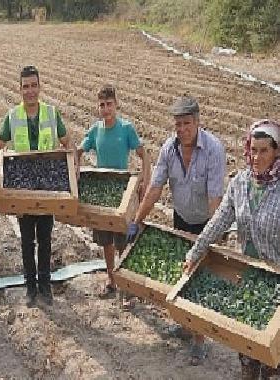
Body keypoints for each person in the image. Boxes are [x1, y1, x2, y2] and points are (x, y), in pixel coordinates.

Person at [127, 95, 227, 365]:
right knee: (182, 276)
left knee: (198, 282)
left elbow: (215, 197)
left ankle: (199, 340)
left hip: (206, 223)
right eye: (177, 124)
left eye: (186, 123)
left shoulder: (214, 150)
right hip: (181, 219)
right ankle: (185, 326)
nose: (181, 129)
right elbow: (155, 188)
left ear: (197, 122)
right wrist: (136, 220)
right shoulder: (168, 150)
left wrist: (213, 236)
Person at [183, 119, 280, 379]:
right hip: (246, 277)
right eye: (253, 150)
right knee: (247, 351)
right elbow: (220, 221)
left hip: (276, 283)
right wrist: (195, 252)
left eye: (264, 151)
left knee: (273, 360)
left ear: (276, 152)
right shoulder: (240, 183)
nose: (256, 157)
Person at [0, 65, 75, 307]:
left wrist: (73, 168)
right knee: (27, 241)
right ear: (20, 89)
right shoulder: (12, 116)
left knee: (46, 239)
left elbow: (67, 142)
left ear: (40, 87)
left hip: (47, 188)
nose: (30, 91)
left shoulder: (51, 113)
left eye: (33, 85)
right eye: (25, 86)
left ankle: (45, 286)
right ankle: (30, 288)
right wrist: (0, 178)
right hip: (23, 190)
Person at [77, 84, 150, 300]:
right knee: (105, 241)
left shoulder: (126, 129)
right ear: (98, 107)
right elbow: (78, 151)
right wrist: (75, 170)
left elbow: (143, 153)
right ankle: (111, 279)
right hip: (102, 192)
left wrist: (145, 180)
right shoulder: (95, 130)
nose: (106, 109)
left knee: (122, 242)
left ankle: (126, 286)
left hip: (122, 193)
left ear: (116, 105)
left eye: (109, 104)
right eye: (102, 105)